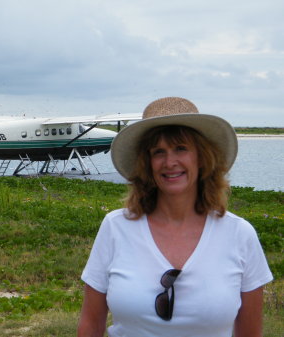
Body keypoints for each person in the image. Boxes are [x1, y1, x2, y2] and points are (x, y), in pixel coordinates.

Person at [77, 97, 273, 337]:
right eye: (159, 152)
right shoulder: (115, 227)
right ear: (147, 164)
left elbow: (250, 333)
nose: (170, 162)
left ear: (201, 158)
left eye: (181, 148)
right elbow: (90, 323)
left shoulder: (239, 235)